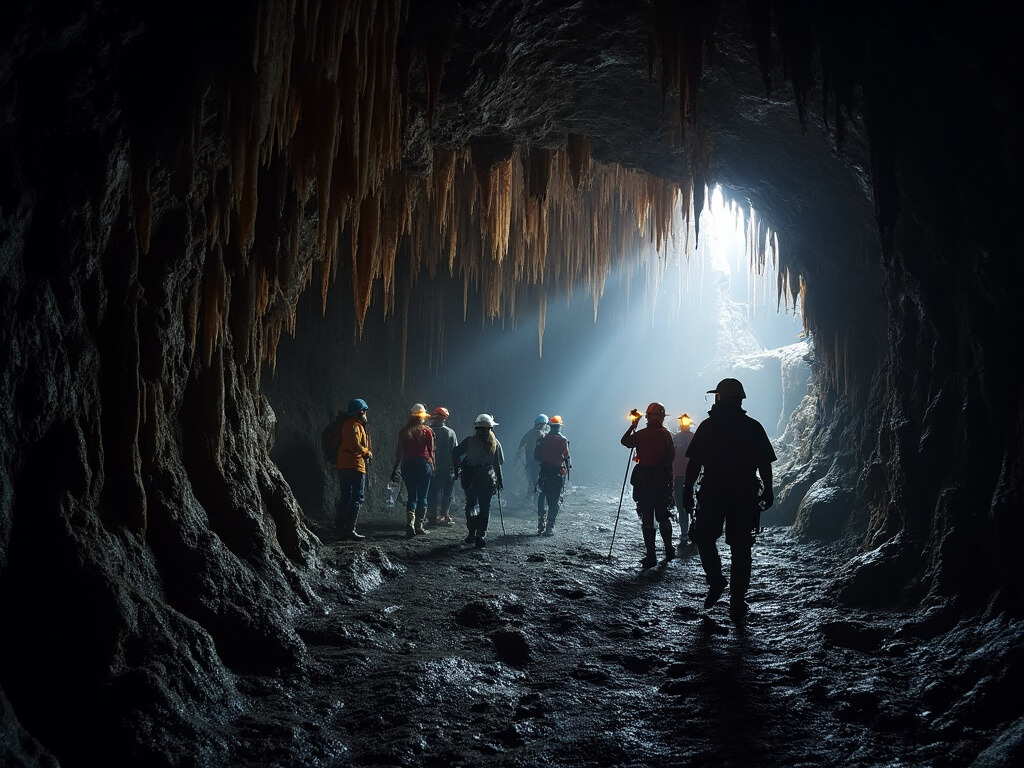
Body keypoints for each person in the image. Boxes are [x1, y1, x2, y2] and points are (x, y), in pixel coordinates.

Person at [680, 378, 776, 619]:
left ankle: (716, 580)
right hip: (744, 492)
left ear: (719, 398)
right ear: (740, 399)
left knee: (703, 537)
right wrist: (768, 489)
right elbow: (764, 463)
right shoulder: (752, 427)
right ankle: (737, 601)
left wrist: (687, 489)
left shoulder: (708, 427)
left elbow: (694, 463)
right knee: (741, 548)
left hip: (714, 489)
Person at [620, 402, 676, 568]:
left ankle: (651, 555)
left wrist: (632, 426)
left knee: (647, 517)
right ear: (662, 418)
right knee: (663, 514)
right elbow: (670, 457)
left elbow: (625, 441)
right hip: (661, 479)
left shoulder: (641, 434)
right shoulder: (667, 435)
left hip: (644, 480)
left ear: (647, 417)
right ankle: (668, 549)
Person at [452, 414, 505, 549]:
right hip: (486, 478)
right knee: (484, 507)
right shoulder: (495, 443)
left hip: (470, 477)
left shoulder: (469, 441)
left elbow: (455, 453)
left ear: (476, 428)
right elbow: (499, 463)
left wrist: (457, 469)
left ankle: (471, 533)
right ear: (491, 428)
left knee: (471, 505)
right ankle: (480, 535)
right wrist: (500, 481)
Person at [389, 404, 435, 538]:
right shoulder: (427, 431)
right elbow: (431, 451)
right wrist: (433, 466)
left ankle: (410, 525)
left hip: (408, 465)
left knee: (412, 496)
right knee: (423, 496)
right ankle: (419, 526)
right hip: (423, 465)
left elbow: (399, 451)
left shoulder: (404, 431)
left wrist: (395, 468)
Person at [334, 397, 373, 541]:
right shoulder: (354, 426)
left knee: (346, 496)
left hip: (343, 465)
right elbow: (354, 445)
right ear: (360, 411)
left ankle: (339, 525)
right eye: (364, 411)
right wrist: (367, 452)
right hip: (355, 466)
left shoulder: (347, 424)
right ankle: (349, 529)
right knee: (357, 498)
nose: (365, 413)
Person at [534, 415, 571, 535]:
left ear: (550, 426)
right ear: (559, 427)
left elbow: (536, 457)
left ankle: (541, 521)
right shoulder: (563, 440)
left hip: (544, 472)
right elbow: (567, 458)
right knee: (554, 500)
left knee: (541, 495)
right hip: (557, 473)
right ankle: (549, 526)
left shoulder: (542, 439)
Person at [426, 406, 458, 526]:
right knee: (447, 493)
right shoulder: (450, 433)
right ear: (445, 418)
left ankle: (432, 515)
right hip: (447, 468)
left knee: (432, 492)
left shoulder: (428, 430)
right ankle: (445, 515)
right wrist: (456, 468)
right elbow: (455, 451)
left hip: (432, 467)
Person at [672, 412, 695, 547]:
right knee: (682, 506)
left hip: (689, 475)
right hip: (681, 475)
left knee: (686, 505)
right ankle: (684, 533)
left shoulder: (692, 437)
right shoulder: (676, 438)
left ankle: (689, 530)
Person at [517, 414, 549, 499]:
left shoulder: (529, 433)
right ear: (543, 424)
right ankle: (536, 498)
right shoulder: (543, 434)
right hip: (539, 462)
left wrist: (518, 459)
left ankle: (530, 496)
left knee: (531, 480)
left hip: (530, 462)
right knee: (538, 481)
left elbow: (521, 446)